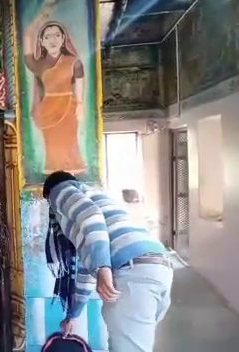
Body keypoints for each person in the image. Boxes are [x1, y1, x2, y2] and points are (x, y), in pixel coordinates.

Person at [43, 171, 173, 352]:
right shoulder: (100, 200)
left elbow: (90, 216)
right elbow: (86, 271)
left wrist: (102, 267)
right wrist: (73, 315)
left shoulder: (60, 190)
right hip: (158, 267)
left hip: (133, 272)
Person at [24, 6, 86, 175]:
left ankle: (70, 178)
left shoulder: (73, 61)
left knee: (70, 143)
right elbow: (28, 35)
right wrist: (40, 16)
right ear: (42, 41)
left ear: (63, 38)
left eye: (57, 35)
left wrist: (80, 104)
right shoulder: (39, 64)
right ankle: (56, 178)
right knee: (52, 147)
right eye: (47, 36)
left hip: (69, 108)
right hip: (48, 110)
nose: (52, 39)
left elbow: (79, 81)